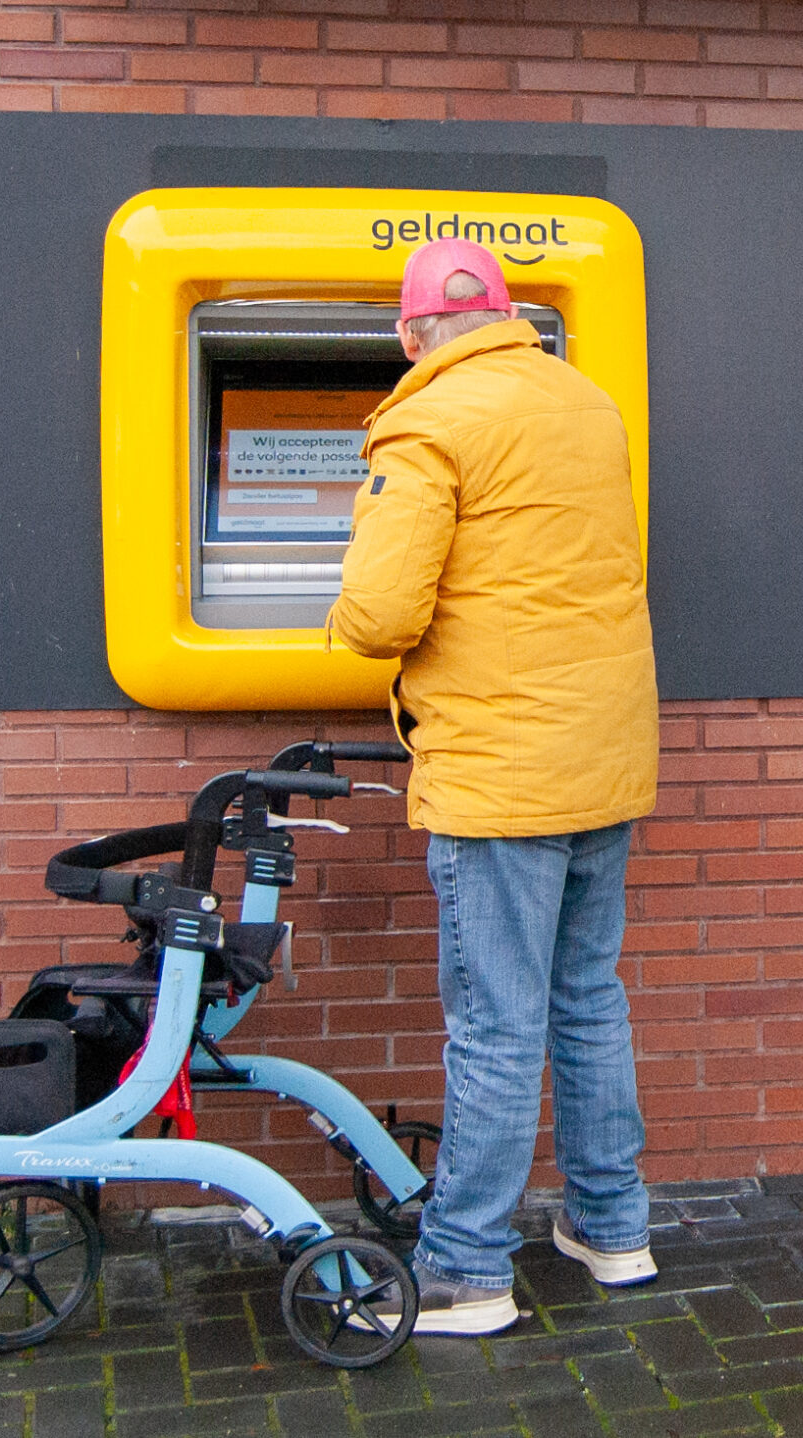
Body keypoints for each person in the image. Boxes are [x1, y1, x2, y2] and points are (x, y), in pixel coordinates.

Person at [327, 236, 661, 1335]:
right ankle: (612, 1226)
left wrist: (331, 616)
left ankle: (467, 1267)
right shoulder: (584, 402)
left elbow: (379, 614)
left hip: (502, 775)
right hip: (601, 757)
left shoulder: (425, 419)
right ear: (509, 316)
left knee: (494, 1025)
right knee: (587, 996)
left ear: (409, 335)